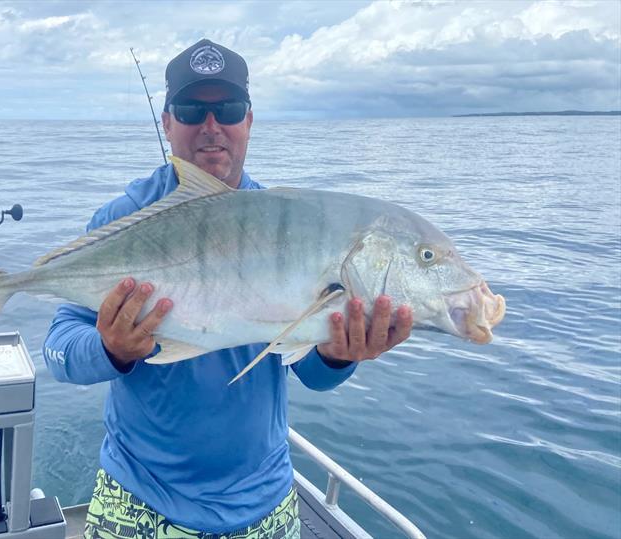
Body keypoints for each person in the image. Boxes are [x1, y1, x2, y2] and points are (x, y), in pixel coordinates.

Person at [44, 38, 413, 539]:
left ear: (250, 120)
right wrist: (111, 350)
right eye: (193, 109)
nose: (211, 126)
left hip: (264, 503)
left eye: (229, 109)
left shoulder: (287, 224)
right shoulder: (122, 219)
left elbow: (311, 372)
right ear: (167, 121)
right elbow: (58, 352)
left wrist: (339, 355)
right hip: (139, 499)